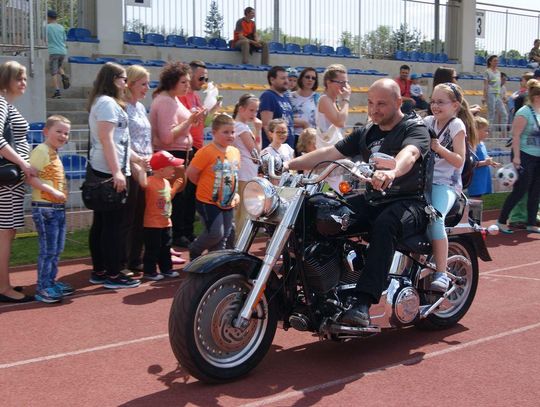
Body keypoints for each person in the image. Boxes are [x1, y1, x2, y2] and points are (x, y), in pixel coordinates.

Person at [287, 78, 431, 327]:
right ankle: (314, 286)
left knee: (385, 224)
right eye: (370, 103)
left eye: (382, 104)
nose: (374, 109)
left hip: (410, 202)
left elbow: (410, 154)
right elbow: (330, 152)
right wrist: (290, 163)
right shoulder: (367, 132)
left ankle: (362, 303)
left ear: (399, 102)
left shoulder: (414, 128)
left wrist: (391, 172)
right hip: (374, 199)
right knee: (320, 210)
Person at [87, 62, 141, 289]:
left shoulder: (105, 102)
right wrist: (117, 171)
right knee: (113, 225)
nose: (125, 83)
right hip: (109, 170)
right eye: (122, 78)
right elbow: (107, 139)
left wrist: (136, 158)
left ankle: (101, 270)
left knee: (102, 222)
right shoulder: (107, 103)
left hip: (107, 167)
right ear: (112, 80)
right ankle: (113, 273)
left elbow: (119, 140)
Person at [149, 62, 205, 249]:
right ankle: (174, 237)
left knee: (181, 198)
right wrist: (189, 120)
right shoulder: (166, 101)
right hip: (172, 154)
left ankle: (179, 235)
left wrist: (192, 120)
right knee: (175, 199)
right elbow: (167, 137)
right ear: (172, 81)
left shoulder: (172, 99)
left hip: (179, 153)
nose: (187, 86)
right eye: (183, 82)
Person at [423, 83, 472, 291]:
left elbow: (459, 160)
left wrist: (438, 148)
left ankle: (442, 273)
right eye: (433, 101)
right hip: (422, 182)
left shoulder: (456, 125)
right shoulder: (426, 121)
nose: (435, 106)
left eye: (441, 102)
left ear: (455, 105)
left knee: (435, 217)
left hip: (447, 184)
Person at [0, 60, 36, 303]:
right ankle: (3, 288)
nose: (23, 83)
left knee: (7, 231)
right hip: (6, 181)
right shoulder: (1, 103)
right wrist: (23, 163)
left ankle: (4, 283)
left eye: (24, 78)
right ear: (6, 80)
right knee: (5, 232)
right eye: (19, 78)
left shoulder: (6, 104)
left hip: (12, 181)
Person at [28, 115, 74, 303]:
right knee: (48, 250)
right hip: (45, 208)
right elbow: (30, 177)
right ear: (46, 132)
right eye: (59, 131)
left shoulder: (53, 152)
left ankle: (51, 280)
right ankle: (43, 287)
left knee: (56, 248)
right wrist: (53, 192)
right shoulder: (41, 151)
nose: (63, 136)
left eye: (66, 133)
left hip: (56, 208)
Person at [176, 60, 221, 248]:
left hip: (197, 146)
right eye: (201, 77)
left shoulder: (195, 96)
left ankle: (186, 231)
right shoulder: (183, 96)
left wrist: (212, 108)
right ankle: (178, 233)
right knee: (183, 194)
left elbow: (204, 121)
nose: (204, 81)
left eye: (206, 78)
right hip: (185, 147)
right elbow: (191, 119)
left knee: (190, 194)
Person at [187, 114, 240, 260]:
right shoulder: (206, 152)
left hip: (227, 201)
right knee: (215, 233)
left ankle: (213, 264)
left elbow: (234, 175)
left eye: (232, 132)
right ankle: (195, 249)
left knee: (224, 235)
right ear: (214, 133)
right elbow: (191, 173)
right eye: (225, 132)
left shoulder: (235, 152)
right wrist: (205, 186)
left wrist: (234, 194)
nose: (230, 135)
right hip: (208, 201)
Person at [497, 78, 540, 234]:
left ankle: (531, 223)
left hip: (538, 157)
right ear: (536, 97)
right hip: (524, 155)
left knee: (536, 191)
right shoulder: (524, 112)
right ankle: (502, 221)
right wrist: (516, 158)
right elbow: (515, 136)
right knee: (520, 190)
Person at [123, 65, 153, 274]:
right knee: (131, 215)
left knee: (144, 213)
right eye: (143, 84)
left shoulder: (141, 108)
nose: (147, 88)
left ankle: (136, 257)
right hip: (132, 164)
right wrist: (136, 162)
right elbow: (123, 141)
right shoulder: (123, 107)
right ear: (131, 84)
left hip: (146, 164)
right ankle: (126, 260)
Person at [138, 151, 184, 280]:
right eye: (171, 167)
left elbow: (168, 198)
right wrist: (142, 168)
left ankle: (166, 269)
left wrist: (174, 188)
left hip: (166, 222)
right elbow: (142, 183)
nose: (174, 170)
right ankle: (150, 271)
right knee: (153, 248)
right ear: (161, 169)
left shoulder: (166, 182)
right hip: (152, 223)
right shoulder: (150, 181)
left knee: (166, 247)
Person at [232, 93, 261, 234]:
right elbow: (256, 153)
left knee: (241, 211)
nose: (254, 114)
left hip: (244, 172)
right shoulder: (241, 127)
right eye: (251, 110)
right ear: (241, 109)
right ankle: (239, 242)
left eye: (256, 111)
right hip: (245, 172)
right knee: (243, 211)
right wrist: (259, 130)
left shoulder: (239, 126)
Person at [258, 66, 295, 149]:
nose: (286, 81)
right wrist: (277, 148)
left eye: (287, 78)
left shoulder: (285, 97)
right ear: (272, 80)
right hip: (275, 151)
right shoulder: (268, 96)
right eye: (282, 78)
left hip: (287, 149)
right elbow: (267, 124)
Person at [468, 117, 500, 198]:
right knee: (475, 200)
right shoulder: (472, 144)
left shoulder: (482, 143)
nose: (487, 133)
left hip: (483, 178)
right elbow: (471, 163)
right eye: (485, 131)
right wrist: (485, 162)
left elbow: (484, 157)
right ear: (475, 130)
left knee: (479, 199)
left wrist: (490, 162)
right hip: (476, 180)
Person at [289, 67, 320, 143]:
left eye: (313, 78)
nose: (310, 80)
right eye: (307, 77)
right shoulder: (289, 96)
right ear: (301, 78)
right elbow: (284, 117)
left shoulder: (318, 98)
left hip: (311, 139)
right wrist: (301, 123)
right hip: (292, 137)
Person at [46, 9, 70, 99]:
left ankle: (57, 91)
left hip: (54, 51)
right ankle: (64, 75)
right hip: (63, 51)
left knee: (54, 72)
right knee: (58, 66)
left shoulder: (47, 27)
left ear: (48, 17)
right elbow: (64, 39)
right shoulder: (61, 27)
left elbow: (43, 38)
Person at [483, 55, 507, 134]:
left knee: (504, 114)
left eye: (497, 61)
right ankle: (489, 134)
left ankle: (503, 133)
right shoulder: (487, 72)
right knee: (491, 114)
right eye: (495, 61)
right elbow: (486, 85)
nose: (496, 62)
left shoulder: (499, 72)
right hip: (490, 94)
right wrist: (484, 96)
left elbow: (499, 85)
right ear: (490, 62)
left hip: (498, 95)